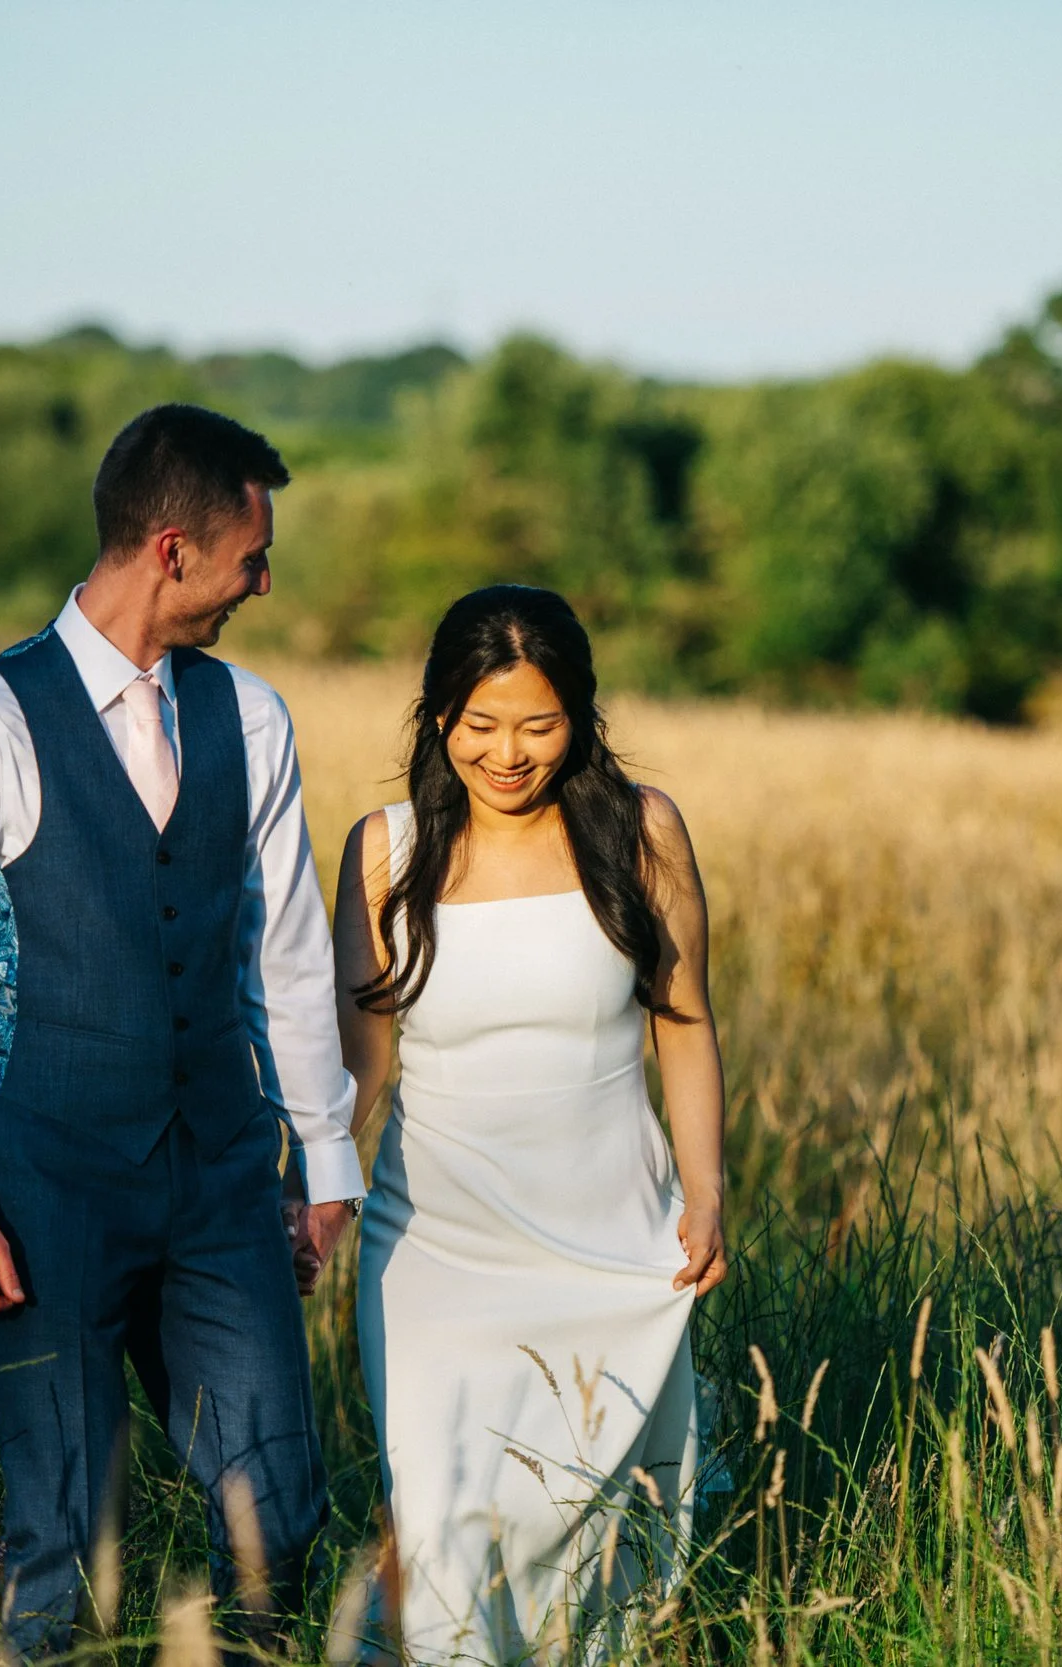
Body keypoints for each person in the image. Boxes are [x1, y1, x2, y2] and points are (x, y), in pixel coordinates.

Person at [0, 404, 364, 1659]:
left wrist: (327, 1162)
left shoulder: (251, 718)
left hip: (224, 1179)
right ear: (175, 548)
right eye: (253, 553)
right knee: (56, 1544)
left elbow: (288, 957)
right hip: (47, 1186)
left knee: (278, 1511)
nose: (265, 578)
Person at [330, 584, 729, 1664]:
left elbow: (683, 1024)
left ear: (581, 719)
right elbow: (363, 1062)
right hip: (434, 1253)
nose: (507, 754)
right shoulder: (382, 850)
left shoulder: (641, 830)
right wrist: (307, 1186)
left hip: (610, 1240)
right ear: (438, 717)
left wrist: (706, 1192)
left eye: (539, 726)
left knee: (591, 1534)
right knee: (446, 1517)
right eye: (480, 725)